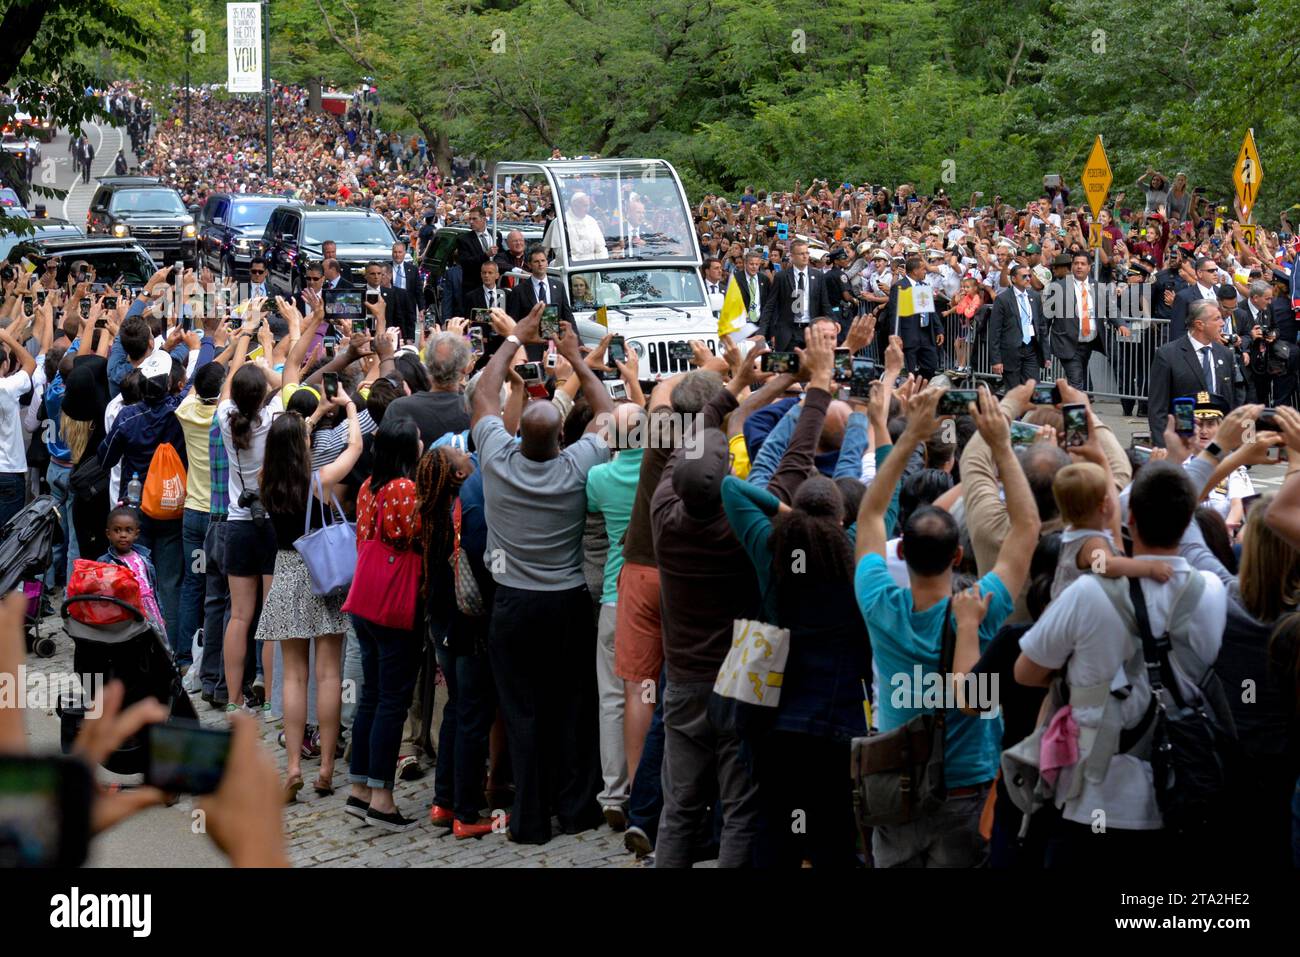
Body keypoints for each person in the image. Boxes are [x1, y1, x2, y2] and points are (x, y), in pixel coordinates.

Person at [854, 384, 1040, 867]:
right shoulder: (981, 605)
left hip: (898, 778)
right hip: (967, 783)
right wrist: (1001, 445)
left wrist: (909, 437)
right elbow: (1026, 530)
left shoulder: (877, 598)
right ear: (958, 556)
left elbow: (871, 512)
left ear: (902, 554)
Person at [1015, 461, 1227, 867]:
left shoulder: (1089, 593)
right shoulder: (1212, 591)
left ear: (1130, 518)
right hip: (1181, 792)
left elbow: (1026, 671)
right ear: (1188, 524)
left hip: (1093, 799)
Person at [470, 302, 613, 844]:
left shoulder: (498, 460)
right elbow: (606, 417)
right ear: (561, 442)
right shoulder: (578, 465)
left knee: (522, 711)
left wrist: (516, 340)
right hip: (567, 603)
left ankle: (529, 819)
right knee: (572, 706)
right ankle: (576, 808)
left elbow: (483, 396)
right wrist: (579, 362)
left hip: (512, 605)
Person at [255, 391, 361, 801]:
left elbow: (284, 447)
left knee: (294, 676)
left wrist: (307, 421)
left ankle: (295, 766)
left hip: (286, 574)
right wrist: (349, 408)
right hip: (322, 574)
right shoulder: (319, 481)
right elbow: (355, 446)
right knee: (329, 675)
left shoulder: (266, 480)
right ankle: (329, 767)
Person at [346, 416, 426, 831]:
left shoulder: (368, 485)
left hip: (366, 599)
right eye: (417, 439)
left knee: (373, 696)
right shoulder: (405, 489)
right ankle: (382, 798)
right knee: (393, 700)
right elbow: (416, 536)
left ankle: (360, 788)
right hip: (394, 603)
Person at [217, 305, 283, 714]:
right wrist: (268, 348)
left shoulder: (226, 419)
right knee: (272, 617)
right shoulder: (273, 417)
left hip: (238, 522)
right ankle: (274, 697)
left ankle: (233, 697)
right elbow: (282, 383)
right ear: (262, 397)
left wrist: (243, 338)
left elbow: (228, 386)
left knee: (239, 616)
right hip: (271, 523)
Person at [1050, 461, 1172, 599]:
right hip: (1079, 614)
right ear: (1105, 505)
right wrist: (1149, 568)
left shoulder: (1074, 531)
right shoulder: (1092, 542)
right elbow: (1104, 566)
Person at [1146, 300, 1239, 446]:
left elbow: (1230, 401)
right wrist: (1164, 448)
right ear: (1199, 324)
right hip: (1183, 442)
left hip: (1216, 444)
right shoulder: (1168, 355)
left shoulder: (1225, 354)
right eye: (1217, 318)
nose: (1223, 323)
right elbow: (1157, 408)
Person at [98, 505, 164, 631]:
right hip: (128, 612)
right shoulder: (106, 562)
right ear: (108, 534)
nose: (123, 535)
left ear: (136, 534)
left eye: (128, 530)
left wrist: (160, 615)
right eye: (117, 530)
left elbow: (154, 589)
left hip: (151, 609)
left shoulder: (144, 556)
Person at [987, 264, 1046, 389]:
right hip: (1011, 352)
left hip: (1031, 350)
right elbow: (994, 331)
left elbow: (1041, 326)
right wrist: (996, 360)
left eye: (1029, 276)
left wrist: (1046, 354)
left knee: (1033, 389)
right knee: (1014, 392)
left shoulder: (1034, 297)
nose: (1028, 279)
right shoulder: (1003, 299)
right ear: (1013, 279)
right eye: (1024, 276)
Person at [886, 255, 944, 379]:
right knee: (909, 372)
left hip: (926, 334)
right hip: (909, 335)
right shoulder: (900, 287)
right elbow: (895, 314)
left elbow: (930, 310)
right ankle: (910, 394)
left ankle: (921, 389)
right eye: (923, 269)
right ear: (915, 271)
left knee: (931, 366)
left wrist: (939, 330)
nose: (925, 271)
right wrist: (897, 336)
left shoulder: (923, 286)